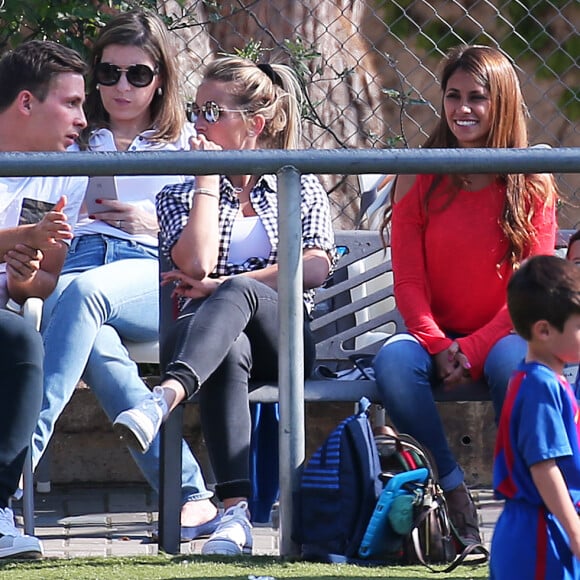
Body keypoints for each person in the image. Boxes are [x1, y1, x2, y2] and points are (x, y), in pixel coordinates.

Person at [112, 55, 336, 556]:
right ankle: (235, 516)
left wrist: (226, 286)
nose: (198, 123)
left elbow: (316, 266)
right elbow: (193, 266)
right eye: (196, 110)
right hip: (212, 344)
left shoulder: (297, 183)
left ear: (253, 124)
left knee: (236, 290)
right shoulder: (178, 193)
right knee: (229, 349)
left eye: (213, 111)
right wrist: (207, 180)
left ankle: (166, 395)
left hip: (286, 341)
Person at [30, 10, 221, 540]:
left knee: (81, 296)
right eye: (109, 73)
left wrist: (154, 221)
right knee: (95, 338)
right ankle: (190, 495)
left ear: (160, 78)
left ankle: (13, 470)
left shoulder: (187, 144)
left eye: (137, 74)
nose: (121, 86)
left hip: (150, 276)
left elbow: (216, 239)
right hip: (81, 267)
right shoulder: (76, 137)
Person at [372, 44, 558, 544]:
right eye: (453, 96)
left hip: (505, 332)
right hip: (433, 336)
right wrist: (437, 344)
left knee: (517, 365)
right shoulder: (419, 173)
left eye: (478, 97)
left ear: (503, 103)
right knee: (392, 364)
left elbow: (533, 289)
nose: (463, 109)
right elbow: (409, 282)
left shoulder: (531, 181)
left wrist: (469, 349)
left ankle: (523, 505)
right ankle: (451, 489)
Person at [0, 39, 88, 559]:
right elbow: (32, 236)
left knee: (18, 337)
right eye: (71, 103)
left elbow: (43, 280)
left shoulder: (67, 169)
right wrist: (23, 236)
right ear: (27, 101)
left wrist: (23, 276)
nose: (82, 119)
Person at [491, 255, 580, 579]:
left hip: (546, 523)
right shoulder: (539, 386)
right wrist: (575, 531)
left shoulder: (546, 381)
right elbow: (544, 467)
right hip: (540, 531)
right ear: (544, 330)